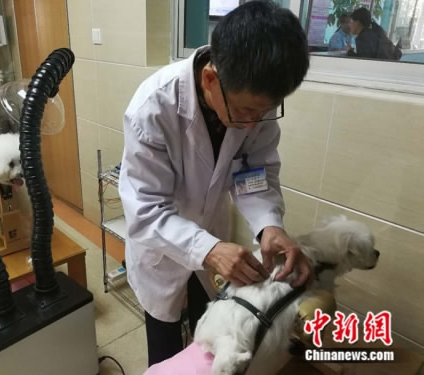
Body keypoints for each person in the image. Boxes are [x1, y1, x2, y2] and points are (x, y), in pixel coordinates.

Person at [118, 0, 312, 367]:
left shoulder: (253, 99)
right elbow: (145, 210)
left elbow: (254, 173)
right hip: (162, 246)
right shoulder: (153, 107)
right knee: (166, 350)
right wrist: (207, 249)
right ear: (210, 79)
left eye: (265, 112)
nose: (256, 123)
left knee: (211, 340)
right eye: (247, 112)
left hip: (212, 233)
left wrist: (269, 226)